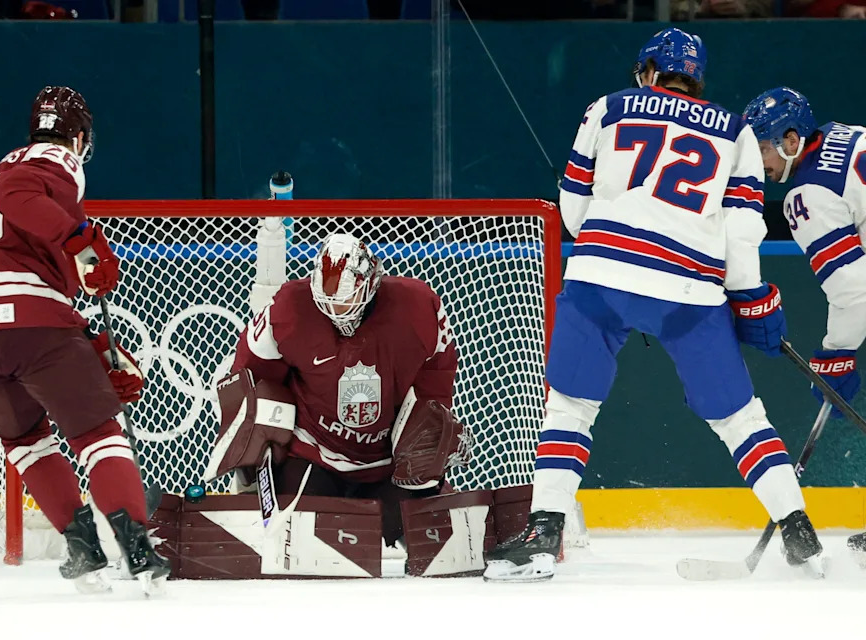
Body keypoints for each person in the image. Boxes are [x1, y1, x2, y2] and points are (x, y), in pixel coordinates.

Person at [484, 28, 822, 582]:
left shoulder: (606, 108)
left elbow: (573, 207)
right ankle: (797, 527)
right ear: (697, 79)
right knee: (740, 417)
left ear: (646, 71)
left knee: (570, 407)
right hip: (689, 290)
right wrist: (753, 298)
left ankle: (544, 532)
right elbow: (740, 229)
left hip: (601, 276)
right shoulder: (736, 130)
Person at [0, 86, 168, 593]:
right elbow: (23, 200)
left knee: (25, 440)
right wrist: (80, 241)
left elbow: (14, 247)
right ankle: (135, 545)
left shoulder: (3, 166)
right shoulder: (55, 158)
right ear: (80, 134)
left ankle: (83, 550)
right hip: (26, 320)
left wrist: (92, 343)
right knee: (97, 434)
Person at [218, 232, 464, 547]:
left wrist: (428, 430)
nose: (336, 310)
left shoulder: (418, 307)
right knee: (300, 545)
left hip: (389, 464)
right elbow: (250, 378)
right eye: (328, 300)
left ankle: (433, 496)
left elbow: (437, 376)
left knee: (429, 545)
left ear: (371, 282)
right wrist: (256, 454)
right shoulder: (289, 309)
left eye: (345, 299)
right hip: (312, 455)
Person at [743, 87, 866, 555]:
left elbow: (853, 290)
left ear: (792, 139)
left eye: (763, 149)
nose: (758, 165)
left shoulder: (807, 192)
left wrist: (836, 353)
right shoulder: (842, 134)